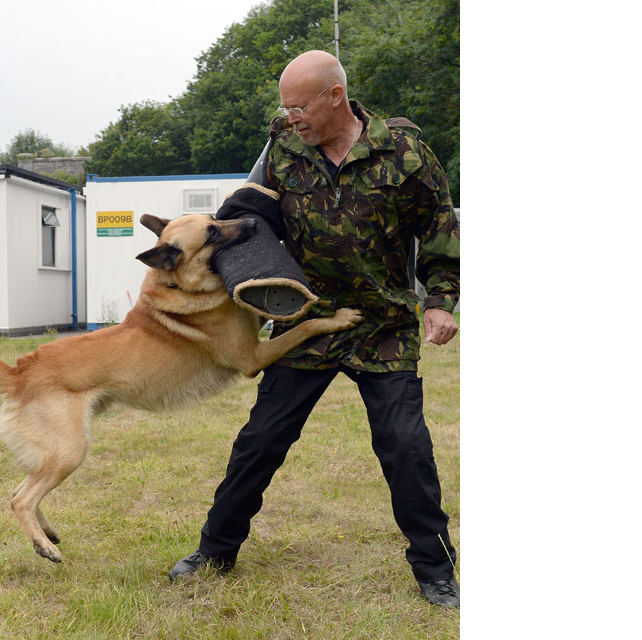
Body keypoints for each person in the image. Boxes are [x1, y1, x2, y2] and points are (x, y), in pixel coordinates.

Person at [168, 50, 461, 609]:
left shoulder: (404, 152)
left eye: (300, 105)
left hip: (382, 323)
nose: (291, 116)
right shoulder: (282, 150)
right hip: (308, 322)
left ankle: (436, 568)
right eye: (285, 107)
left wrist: (441, 301)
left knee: (405, 448)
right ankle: (215, 550)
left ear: (335, 95)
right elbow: (247, 221)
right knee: (260, 441)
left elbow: (440, 227)